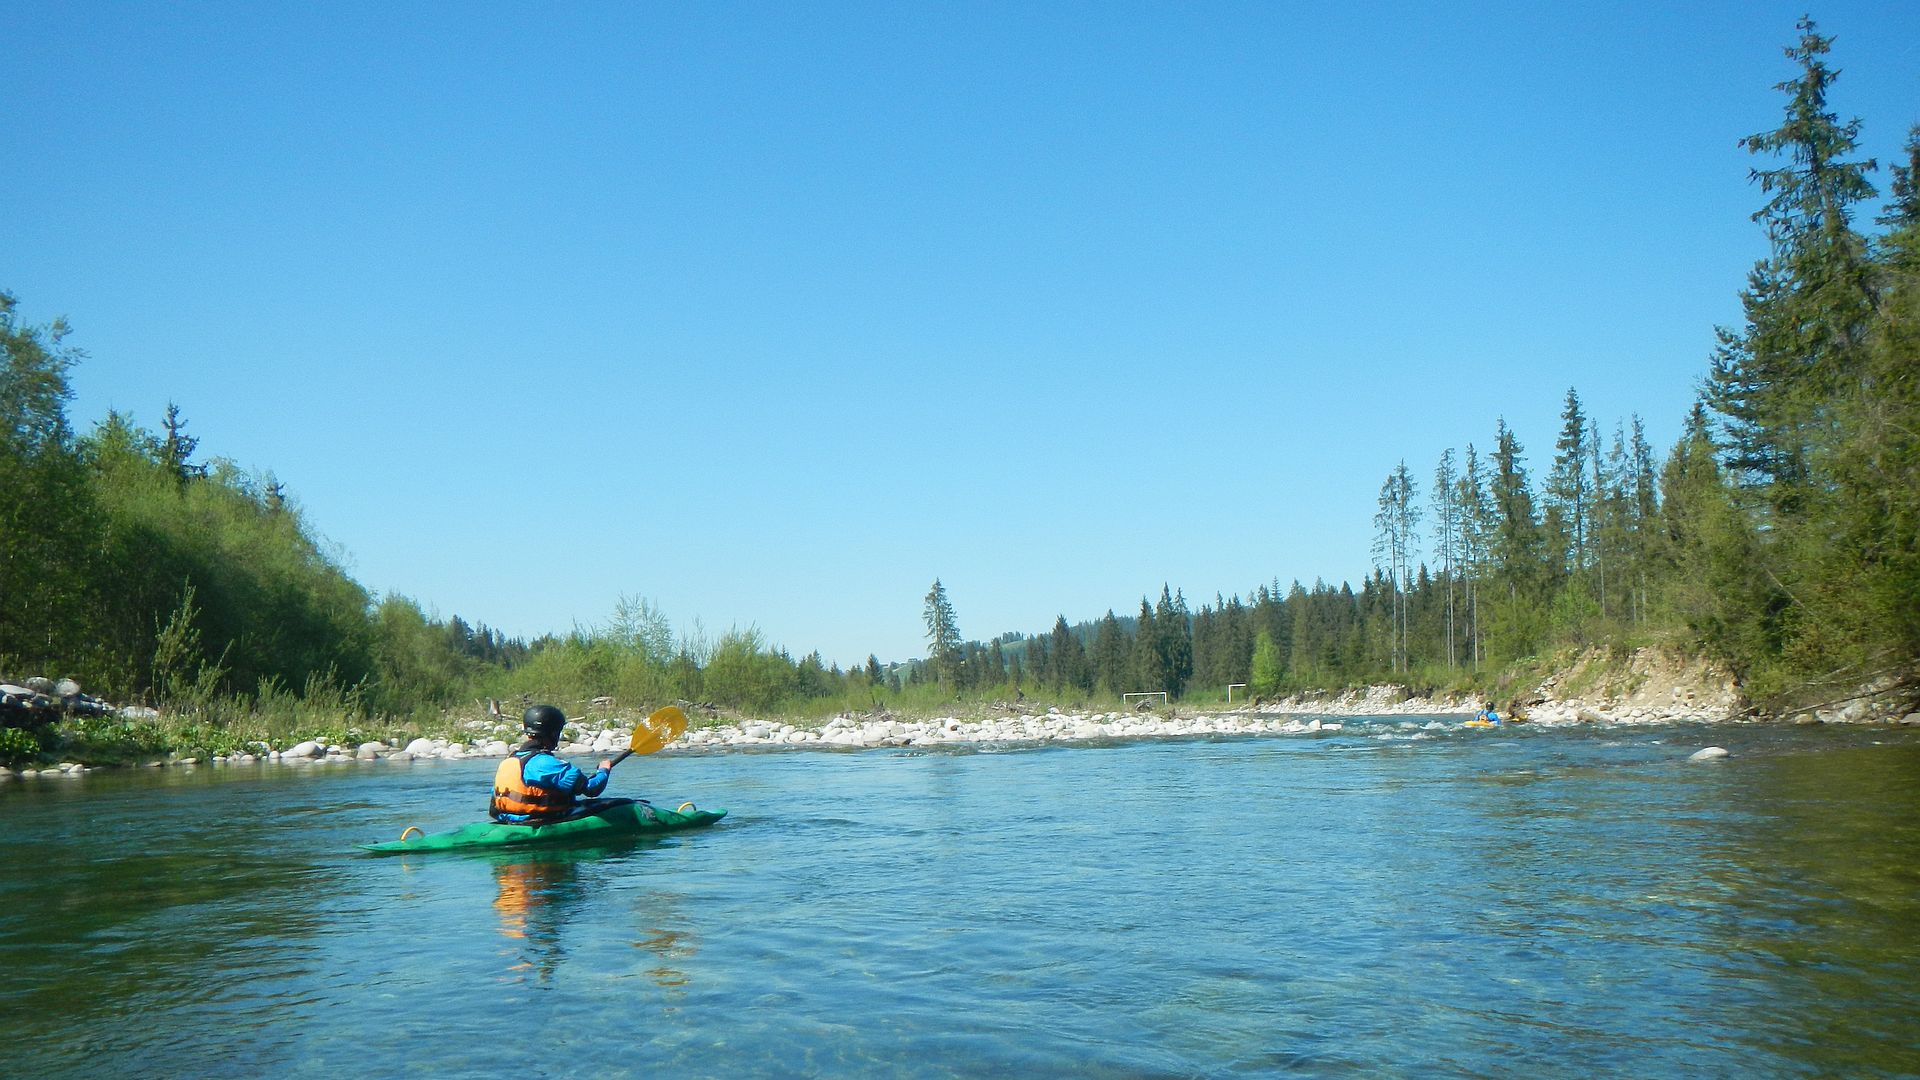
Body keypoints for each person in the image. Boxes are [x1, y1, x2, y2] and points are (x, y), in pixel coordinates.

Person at [490, 705, 616, 823]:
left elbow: (493, 807)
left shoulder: (508, 760)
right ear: (553, 734)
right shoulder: (549, 764)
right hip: (539, 821)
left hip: (507, 819)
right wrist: (604, 770)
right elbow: (592, 789)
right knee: (619, 804)